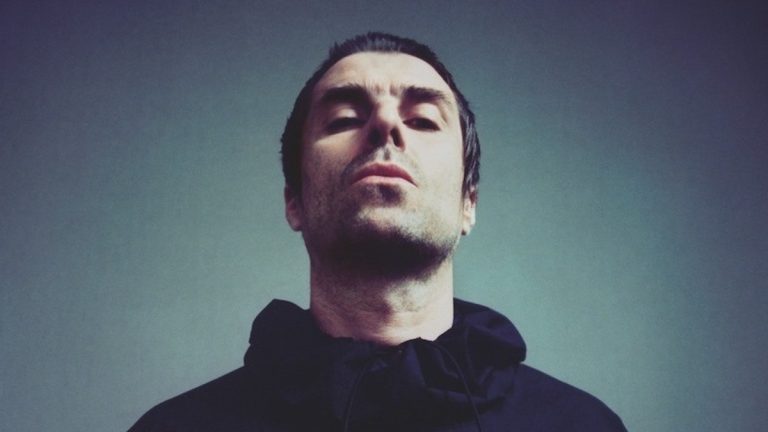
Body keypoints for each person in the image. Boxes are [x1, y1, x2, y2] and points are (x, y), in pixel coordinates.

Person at [129, 32, 626, 432]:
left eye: (423, 120)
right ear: (294, 201)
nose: (386, 123)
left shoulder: (584, 426)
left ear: (468, 204)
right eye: (344, 118)